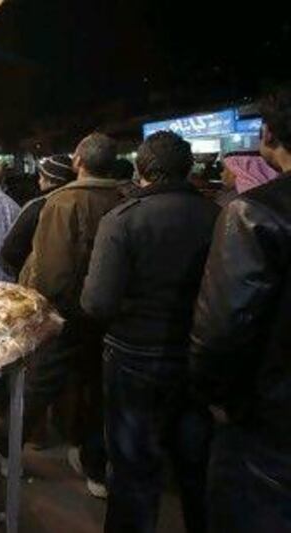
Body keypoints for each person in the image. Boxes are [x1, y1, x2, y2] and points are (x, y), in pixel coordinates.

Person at [81, 131, 219, 533]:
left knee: (134, 473)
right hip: (195, 358)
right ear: (187, 169)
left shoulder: (123, 220)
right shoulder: (218, 216)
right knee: (194, 469)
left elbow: (97, 303)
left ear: (141, 169)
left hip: (133, 358)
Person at [190, 88, 291, 533]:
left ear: (267, 136)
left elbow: (222, 332)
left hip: (267, 430)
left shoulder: (254, 213)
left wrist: (216, 401)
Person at [18, 132, 125, 497]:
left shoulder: (63, 202)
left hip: (67, 313)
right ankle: (94, 466)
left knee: (40, 382)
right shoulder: (123, 198)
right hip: (110, 315)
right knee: (97, 388)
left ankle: (4, 448)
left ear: (79, 161)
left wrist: (42, 309)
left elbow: (52, 270)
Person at [0, 154, 77, 278]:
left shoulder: (37, 206)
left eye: (41, 177)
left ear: (51, 180)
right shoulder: (81, 201)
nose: (39, 181)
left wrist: (25, 272)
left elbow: (9, 252)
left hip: (40, 280)